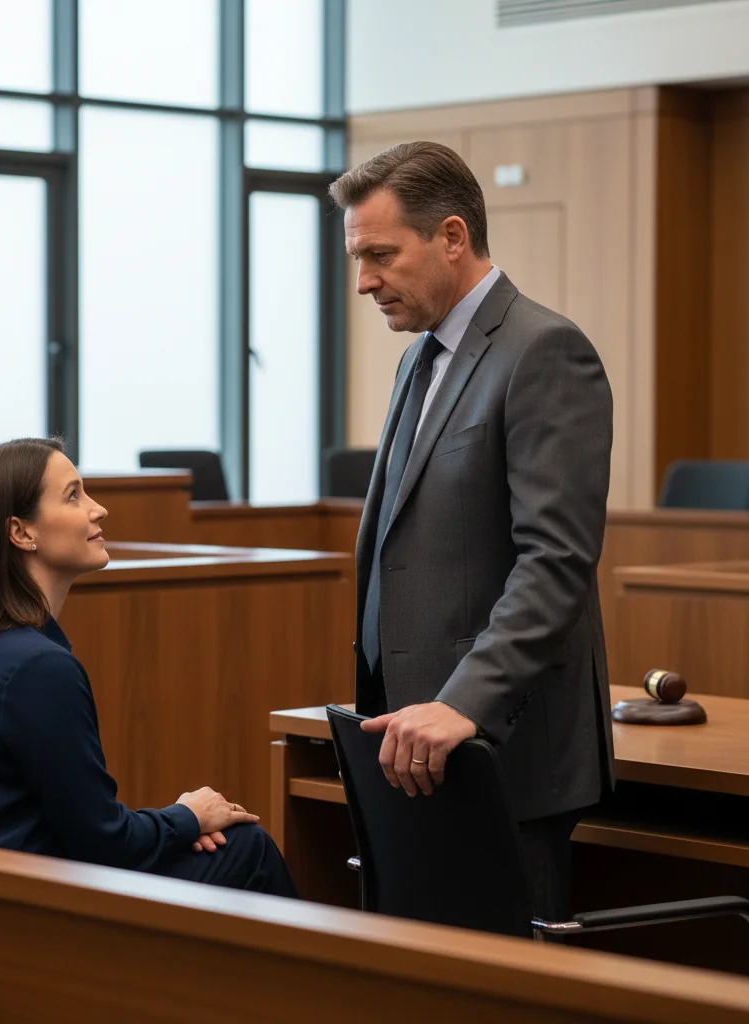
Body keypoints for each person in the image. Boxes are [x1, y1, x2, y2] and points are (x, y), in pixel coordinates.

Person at [329, 142, 614, 925]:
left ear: (452, 236)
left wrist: (465, 703)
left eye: (381, 255)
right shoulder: (419, 358)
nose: (364, 282)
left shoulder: (544, 351)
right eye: (359, 258)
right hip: (414, 744)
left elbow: (555, 561)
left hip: (497, 750)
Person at [0, 437, 297, 898]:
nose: (98, 510)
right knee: (246, 848)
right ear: (21, 532)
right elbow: (105, 845)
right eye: (73, 495)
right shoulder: (36, 667)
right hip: (33, 912)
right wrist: (187, 817)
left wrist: (176, 823)